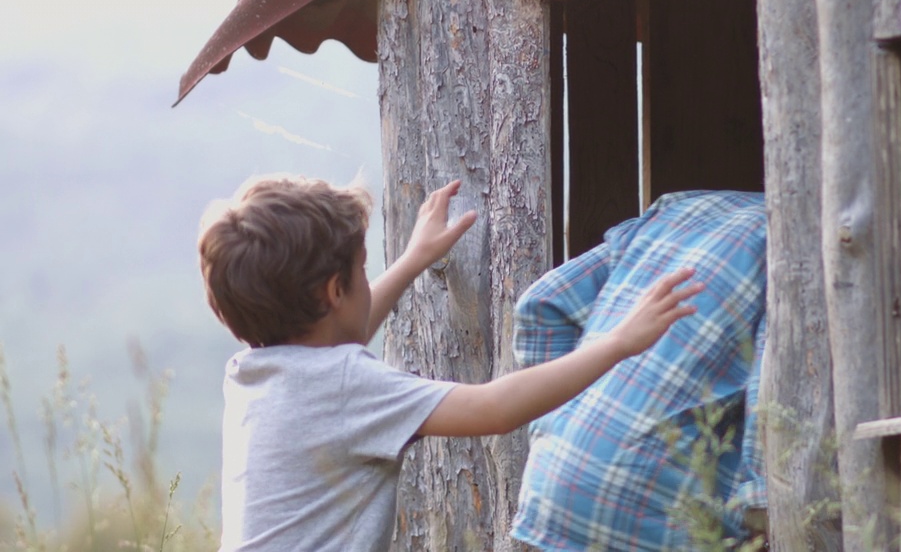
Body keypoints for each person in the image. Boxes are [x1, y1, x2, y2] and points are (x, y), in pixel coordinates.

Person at [197, 175, 704, 552]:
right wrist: (617, 342)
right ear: (334, 291)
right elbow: (494, 409)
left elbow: (335, 337)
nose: (366, 284)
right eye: (361, 273)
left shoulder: (253, 374)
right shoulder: (346, 384)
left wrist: (414, 258)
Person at [510, 190, 768, 551]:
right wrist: (758, 508)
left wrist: (560, 427)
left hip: (553, 484)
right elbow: (769, 397)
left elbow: (541, 304)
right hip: (655, 513)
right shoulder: (794, 254)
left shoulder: (679, 208)